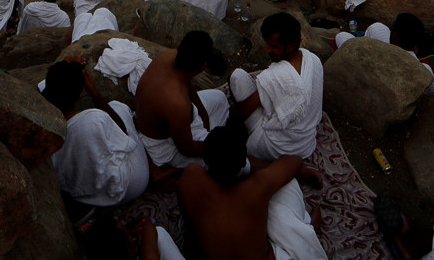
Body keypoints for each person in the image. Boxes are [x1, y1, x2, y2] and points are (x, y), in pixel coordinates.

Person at [179, 117, 327, 260]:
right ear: (243, 161)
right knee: (287, 184)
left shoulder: (191, 178)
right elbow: (294, 162)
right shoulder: (256, 188)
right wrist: (303, 172)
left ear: (205, 158)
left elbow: (190, 229)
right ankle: (307, 231)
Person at [43, 58, 150, 207]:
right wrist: (94, 93)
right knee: (118, 107)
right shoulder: (93, 119)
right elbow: (123, 131)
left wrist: (61, 68)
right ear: (79, 96)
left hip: (84, 197)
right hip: (128, 187)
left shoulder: (42, 128)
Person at [229, 13, 323, 160]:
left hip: (275, 147)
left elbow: (244, 111)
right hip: (305, 145)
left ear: (290, 46)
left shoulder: (275, 76)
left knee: (236, 76)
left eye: (273, 46)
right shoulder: (313, 59)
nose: (267, 50)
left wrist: (229, 116)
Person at [133, 30, 230, 171]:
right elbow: (186, 148)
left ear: (179, 47)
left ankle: (207, 134)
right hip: (163, 145)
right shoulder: (177, 103)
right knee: (230, 162)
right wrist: (219, 146)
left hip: (176, 120)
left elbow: (186, 81)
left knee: (220, 98)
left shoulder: (169, 55)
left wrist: (202, 111)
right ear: (203, 66)